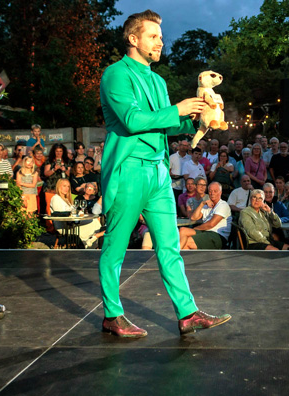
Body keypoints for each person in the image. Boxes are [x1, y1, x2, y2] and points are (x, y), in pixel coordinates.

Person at [97, 10, 230, 338]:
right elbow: (133, 120)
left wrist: (199, 121)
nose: (160, 41)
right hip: (128, 171)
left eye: (160, 36)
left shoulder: (158, 80)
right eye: (153, 36)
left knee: (170, 246)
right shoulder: (115, 74)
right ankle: (112, 315)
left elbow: (168, 123)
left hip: (158, 172)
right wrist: (179, 109)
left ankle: (187, 314)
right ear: (133, 39)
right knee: (115, 248)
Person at [50, 179, 103, 247]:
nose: (66, 188)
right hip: (65, 225)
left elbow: (73, 211)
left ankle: (92, 242)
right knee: (94, 222)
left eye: (68, 186)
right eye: (64, 186)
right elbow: (62, 214)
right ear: (59, 186)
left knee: (94, 221)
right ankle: (90, 243)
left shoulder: (66, 199)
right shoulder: (56, 198)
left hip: (72, 222)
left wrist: (79, 213)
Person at [179, 182, 232, 250]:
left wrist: (195, 228)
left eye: (215, 191)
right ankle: (180, 257)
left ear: (220, 193)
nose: (212, 193)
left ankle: (175, 257)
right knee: (182, 230)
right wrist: (202, 204)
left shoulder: (223, 205)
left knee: (187, 242)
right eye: (210, 191)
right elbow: (193, 217)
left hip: (217, 235)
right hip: (206, 232)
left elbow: (211, 224)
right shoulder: (206, 205)